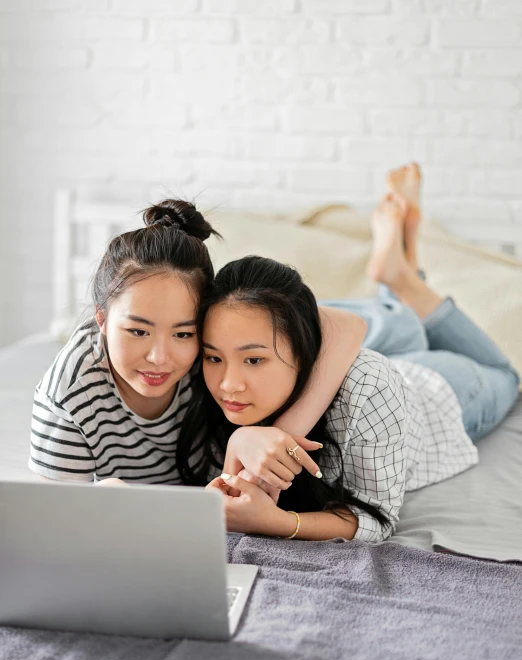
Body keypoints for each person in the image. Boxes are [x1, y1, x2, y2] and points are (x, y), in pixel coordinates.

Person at [178, 164, 520, 543]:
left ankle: (402, 280)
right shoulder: (187, 368)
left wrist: (273, 521)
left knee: (504, 375)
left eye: (254, 359)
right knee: (402, 328)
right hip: (371, 369)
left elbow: (376, 520)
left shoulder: (370, 386)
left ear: (306, 349)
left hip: (432, 391)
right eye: (214, 358)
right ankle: (398, 278)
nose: (228, 384)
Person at [29, 200, 367, 484]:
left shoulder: (213, 345)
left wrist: (278, 435)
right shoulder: (69, 395)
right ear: (101, 318)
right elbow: (56, 523)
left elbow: (346, 323)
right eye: (138, 331)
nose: (160, 358)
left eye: (183, 334)